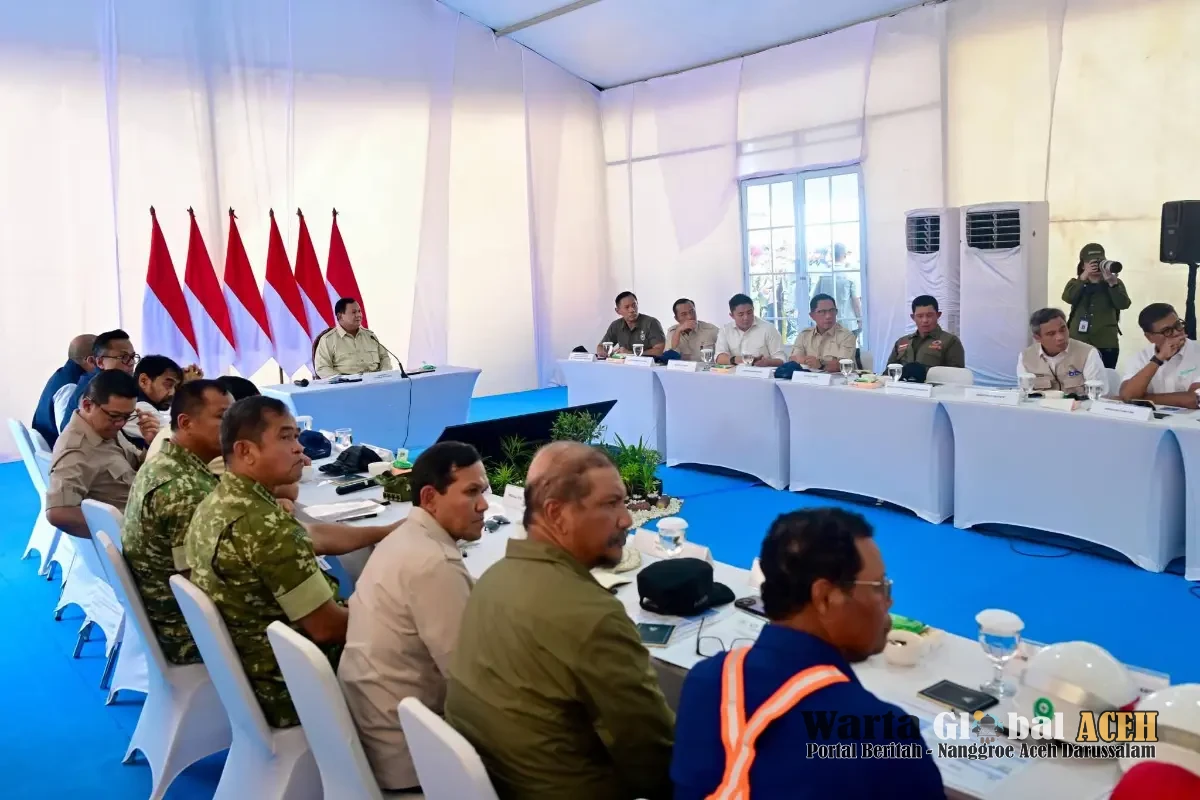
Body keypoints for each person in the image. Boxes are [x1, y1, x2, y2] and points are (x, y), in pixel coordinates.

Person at [446, 442, 674, 800]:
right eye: (610, 503)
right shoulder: (593, 617)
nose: (627, 518)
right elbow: (655, 760)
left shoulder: (493, 579)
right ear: (556, 514)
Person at [671, 508, 944, 800]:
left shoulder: (706, 681)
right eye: (879, 587)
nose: (888, 602)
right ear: (825, 597)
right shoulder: (879, 731)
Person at [185, 396, 396, 727]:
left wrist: (386, 531)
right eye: (285, 437)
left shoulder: (221, 502)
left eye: (296, 436)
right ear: (245, 451)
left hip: (257, 672)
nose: (299, 448)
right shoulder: (263, 527)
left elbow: (312, 535)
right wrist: (396, 611)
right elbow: (330, 628)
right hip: (296, 685)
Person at [339, 441, 489, 792]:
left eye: (484, 490)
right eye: (470, 492)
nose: (483, 505)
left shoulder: (405, 537)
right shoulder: (434, 564)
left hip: (377, 726)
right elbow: (472, 684)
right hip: (408, 754)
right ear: (430, 498)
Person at [122, 380, 232, 665]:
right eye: (222, 417)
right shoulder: (184, 490)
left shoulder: (168, 463)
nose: (234, 426)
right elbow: (198, 588)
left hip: (172, 618)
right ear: (186, 423)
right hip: (189, 633)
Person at [45, 369, 147, 538]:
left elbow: (135, 463)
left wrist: (150, 443)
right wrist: (117, 534)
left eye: (127, 416)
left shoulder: (104, 429)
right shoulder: (76, 451)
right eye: (115, 416)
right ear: (87, 405)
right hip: (140, 533)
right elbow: (58, 512)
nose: (121, 423)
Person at [1063, 243, 1131, 369]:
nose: (1096, 266)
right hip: (1079, 341)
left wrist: (1112, 284)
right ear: (1083, 265)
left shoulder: (1114, 282)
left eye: (1099, 262)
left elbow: (1124, 304)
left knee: (1105, 377)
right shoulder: (1076, 282)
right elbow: (1068, 298)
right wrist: (1083, 277)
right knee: (1075, 378)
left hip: (1106, 341)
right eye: (1091, 263)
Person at [1119, 303, 1200, 408]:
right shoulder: (1141, 357)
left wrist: (1142, 399)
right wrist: (1158, 358)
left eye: (1178, 325)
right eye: (1167, 331)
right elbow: (1128, 395)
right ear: (1150, 337)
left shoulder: (1197, 352)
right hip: (1152, 422)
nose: (1176, 333)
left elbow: (1195, 399)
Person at [60, 329, 139, 433]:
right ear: (100, 362)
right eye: (124, 357)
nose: (131, 362)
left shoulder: (111, 382)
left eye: (132, 356)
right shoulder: (93, 389)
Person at [1017, 308, 1105, 394]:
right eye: (1051, 334)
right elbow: (1024, 394)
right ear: (1037, 338)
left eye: (1063, 329)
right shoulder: (1026, 357)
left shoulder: (1088, 353)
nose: (1060, 337)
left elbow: (1099, 395)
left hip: (1079, 407)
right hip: (1041, 407)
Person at [32, 334, 95, 448]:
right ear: (90, 360)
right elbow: (66, 432)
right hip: (62, 456)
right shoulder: (70, 386)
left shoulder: (62, 375)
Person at [314, 297, 393, 378]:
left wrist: (384, 376)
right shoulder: (328, 340)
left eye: (359, 311)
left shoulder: (370, 336)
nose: (359, 315)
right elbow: (322, 368)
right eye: (354, 312)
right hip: (347, 387)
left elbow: (384, 358)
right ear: (340, 316)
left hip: (375, 384)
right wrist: (344, 380)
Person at [884, 295, 965, 369]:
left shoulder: (950, 341)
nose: (925, 320)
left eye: (929, 315)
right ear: (913, 317)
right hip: (902, 385)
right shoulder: (902, 342)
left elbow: (955, 377)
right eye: (920, 316)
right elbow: (889, 372)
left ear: (938, 315)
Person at [122, 355, 183, 449]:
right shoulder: (141, 408)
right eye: (169, 385)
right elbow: (182, 444)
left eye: (176, 387)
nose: (173, 393)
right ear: (144, 381)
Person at [789, 293, 858, 372]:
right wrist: (807, 361)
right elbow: (793, 359)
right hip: (809, 379)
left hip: (839, 381)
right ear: (812, 316)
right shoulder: (804, 335)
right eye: (822, 312)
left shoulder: (846, 336)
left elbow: (844, 365)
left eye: (832, 311)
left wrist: (821, 364)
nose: (828, 316)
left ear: (836, 312)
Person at [714, 293, 786, 367]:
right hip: (734, 376)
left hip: (761, 374)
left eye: (749, 312)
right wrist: (742, 360)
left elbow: (781, 360)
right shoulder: (725, 330)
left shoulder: (768, 328)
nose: (746, 317)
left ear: (753, 310)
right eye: (741, 314)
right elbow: (719, 358)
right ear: (732, 316)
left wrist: (768, 362)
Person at [596, 291, 666, 357]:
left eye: (634, 305)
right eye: (627, 307)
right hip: (624, 366)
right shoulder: (616, 325)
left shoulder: (651, 323)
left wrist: (631, 353)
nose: (632, 310)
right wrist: (610, 353)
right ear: (618, 311)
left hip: (647, 366)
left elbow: (659, 351)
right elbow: (600, 347)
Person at [813, 243, 863, 333]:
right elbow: (856, 301)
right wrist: (860, 319)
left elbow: (815, 298)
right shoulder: (850, 275)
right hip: (847, 323)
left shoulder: (823, 276)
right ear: (844, 255)